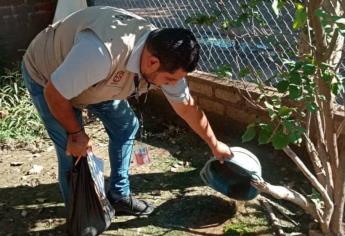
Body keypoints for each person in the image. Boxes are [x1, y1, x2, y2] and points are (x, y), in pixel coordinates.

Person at [22, 6, 233, 216]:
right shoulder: (100, 53)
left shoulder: (167, 57)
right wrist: (76, 134)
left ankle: (119, 195)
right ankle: (82, 216)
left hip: (95, 82)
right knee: (74, 154)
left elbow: (187, 107)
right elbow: (55, 94)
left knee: (126, 127)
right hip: (48, 77)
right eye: (169, 80)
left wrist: (214, 144)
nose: (171, 85)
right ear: (152, 62)